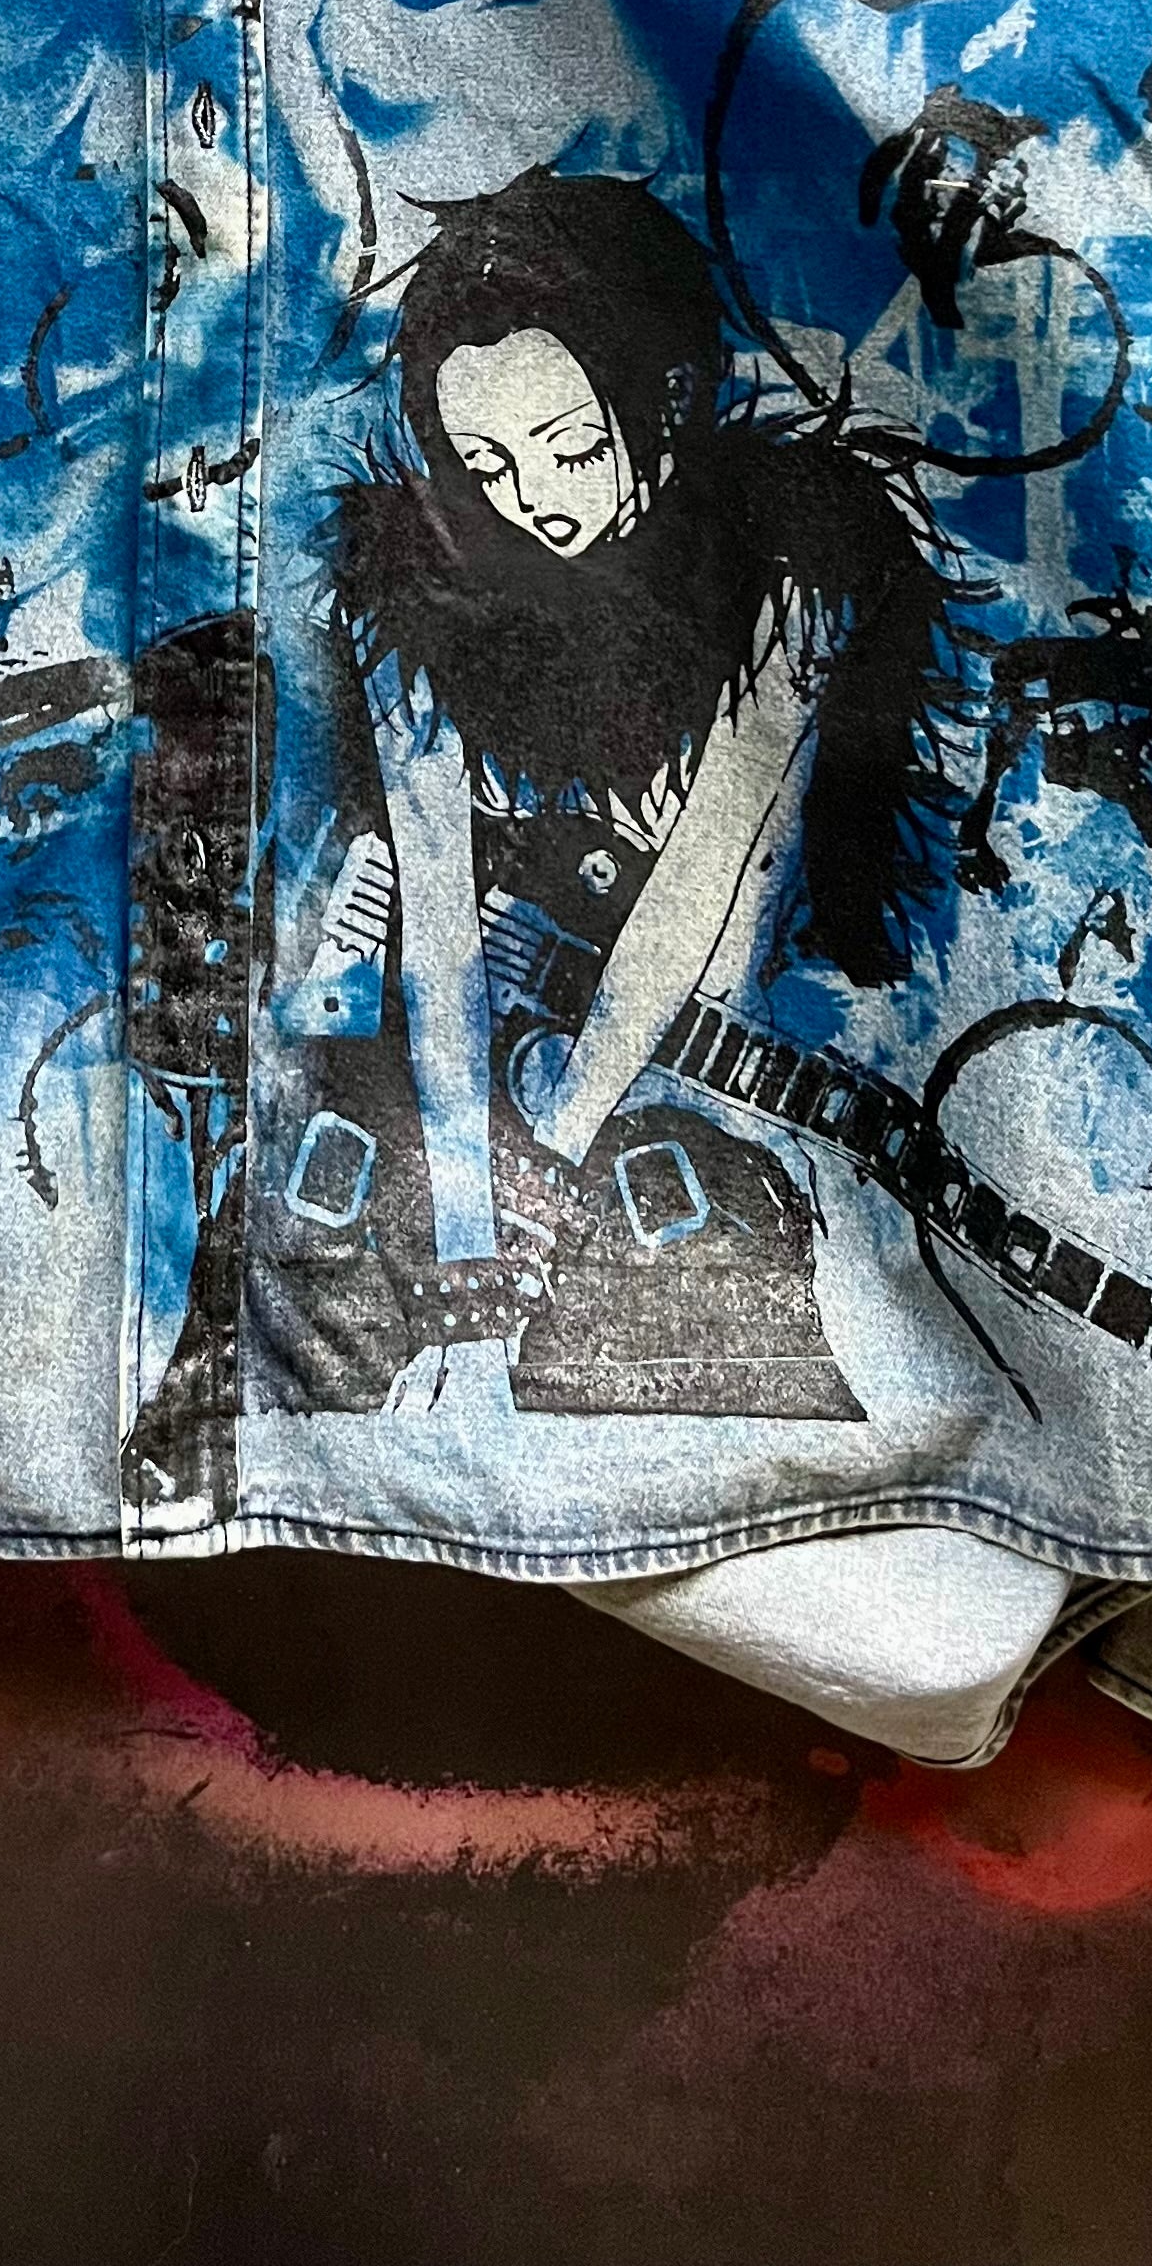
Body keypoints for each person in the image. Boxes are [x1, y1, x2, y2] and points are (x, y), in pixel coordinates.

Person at [293, 167, 955, 1415]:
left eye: (572, 450)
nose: (534, 502)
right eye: (488, 466)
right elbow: (438, 934)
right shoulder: (412, 591)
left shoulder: (797, 553)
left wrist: (537, 1182)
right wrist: (472, 1235)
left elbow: (715, 903)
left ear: (666, 399)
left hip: (725, 1033)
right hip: (474, 1032)